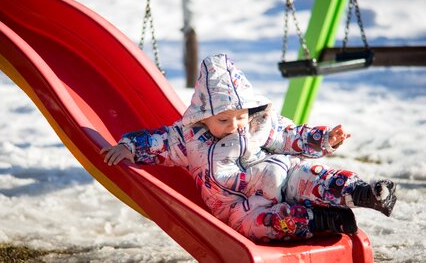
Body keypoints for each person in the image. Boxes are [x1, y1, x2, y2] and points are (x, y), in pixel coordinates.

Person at [101, 54, 397, 242]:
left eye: (240, 116)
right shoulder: (189, 139)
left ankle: (364, 193)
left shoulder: (259, 123)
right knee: (262, 225)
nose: (235, 125)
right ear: (204, 117)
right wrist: (129, 147)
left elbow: (290, 135)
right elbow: (160, 142)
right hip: (239, 206)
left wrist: (324, 138)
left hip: (280, 175)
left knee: (311, 175)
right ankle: (324, 220)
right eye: (224, 120)